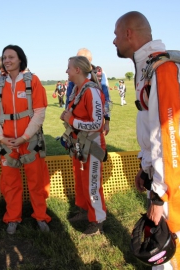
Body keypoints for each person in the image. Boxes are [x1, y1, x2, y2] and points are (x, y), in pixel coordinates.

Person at [114, 12, 180, 268]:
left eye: (116, 35)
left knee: (167, 246)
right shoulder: (149, 69)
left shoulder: (164, 71)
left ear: (129, 33)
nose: (113, 41)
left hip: (170, 184)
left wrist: (160, 197)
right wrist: (145, 168)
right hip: (160, 179)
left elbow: (171, 139)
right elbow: (152, 131)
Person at [0, 45, 51, 235]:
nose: (7, 60)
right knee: (10, 184)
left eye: (11, 57)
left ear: (20, 59)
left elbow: (39, 112)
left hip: (29, 143)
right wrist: (0, 137)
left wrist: (25, 137)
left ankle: (40, 216)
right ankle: (12, 218)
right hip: (7, 144)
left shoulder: (33, 81)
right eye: (4, 57)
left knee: (36, 183)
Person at [60, 56, 106, 236]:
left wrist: (70, 119)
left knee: (91, 183)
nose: (66, 71)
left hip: (91, 144)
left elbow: (97, 124)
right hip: (79, 144)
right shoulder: (78, 90)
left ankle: (98, 220)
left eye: (68, 68)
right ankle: (85, 210)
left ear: (77, 70)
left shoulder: (91, 91)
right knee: (81, 181)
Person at [65, 48, 111, 135]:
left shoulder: (99, 76)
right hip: (77, 129)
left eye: (80, 58)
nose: (76, 60)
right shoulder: (74, 82)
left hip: (90, 134)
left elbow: (106, 100)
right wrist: (67, 116)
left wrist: (107, 122)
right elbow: (69, 99)